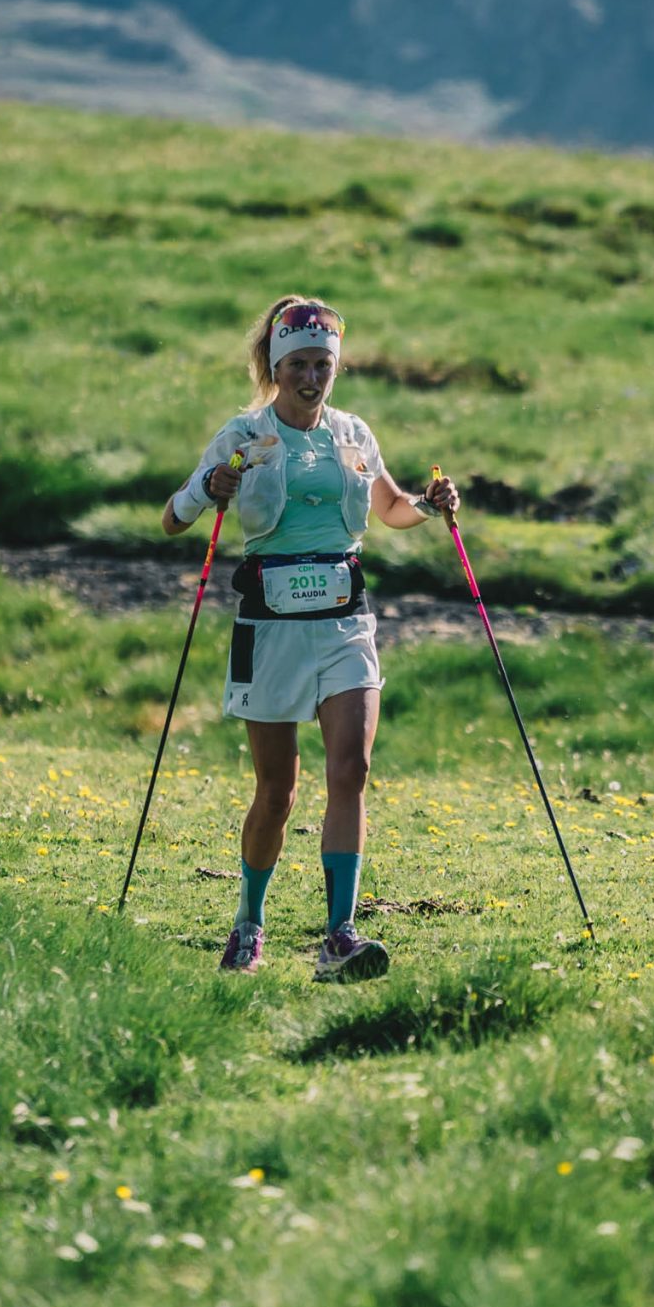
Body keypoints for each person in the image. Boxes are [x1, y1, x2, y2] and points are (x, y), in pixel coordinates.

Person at [163, 295, 459, 980]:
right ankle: (248, 925)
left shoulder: (353, 434)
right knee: (277, 790)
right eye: (297, 363)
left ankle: (339, 936)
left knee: (350, 772)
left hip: (343, 621)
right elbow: (174, 517)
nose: (311, 377)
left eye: (322, 364)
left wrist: (429, 504)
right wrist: (210, 487)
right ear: (275, 365)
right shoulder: (244, 432)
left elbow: (388, 508)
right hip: (270, 625)